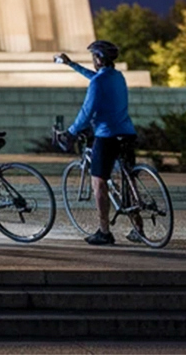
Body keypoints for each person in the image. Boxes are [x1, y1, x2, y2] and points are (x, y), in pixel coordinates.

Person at [55, 39, 139, 246]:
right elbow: (95, 78)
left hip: (106, 135)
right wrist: (71, 64)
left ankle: (104, 231)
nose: (93, 60)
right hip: (127, 133)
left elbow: (86, 112)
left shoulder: (98, 83)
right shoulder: (117, 77)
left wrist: (71, 132)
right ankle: (139, 228)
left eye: (94, 57)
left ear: (99, 59)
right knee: (129, 180)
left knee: (99, 182)